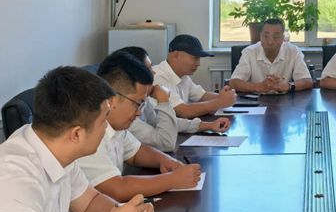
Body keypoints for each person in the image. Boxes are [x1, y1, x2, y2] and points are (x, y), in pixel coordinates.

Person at [0, 67, 154, 212]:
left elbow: (88, 203)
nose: (106, 128)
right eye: (104, 120)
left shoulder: (54, 147)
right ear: (77, 134)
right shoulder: (14, 179)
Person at [77, 51, 202, 202]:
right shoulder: (87, 133)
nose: (139, 113)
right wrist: (173, 179)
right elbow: (116, 188)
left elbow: (136, 152)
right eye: (137, 103)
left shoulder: (116, 126)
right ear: (111, 100)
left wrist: (166, 161)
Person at [121, 46, 230, 152]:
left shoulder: (142, 101)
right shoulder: (126, 115)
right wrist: (163, 101)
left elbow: (158, 121)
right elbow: (166, 143)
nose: (153, 72)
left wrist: (207, 125)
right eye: (149, 69)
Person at [153, 34, 237, 118]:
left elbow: (202, 95)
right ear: (176, 55)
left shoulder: (183, 76)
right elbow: (181, 111)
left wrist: (224, 96)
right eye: (195, 58)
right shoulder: (159, 76)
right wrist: (218, 102)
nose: (198, 64)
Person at [229, 18, 313, 94]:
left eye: (275, 37)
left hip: (285, 102)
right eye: (266, 36)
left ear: (282, 39)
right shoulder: (249, 52)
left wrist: (288, 86)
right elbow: (234, 82)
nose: (270, 42)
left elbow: (307, 81)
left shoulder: (293, 51)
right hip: (256, 101)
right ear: (260, 36)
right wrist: (259, 86)